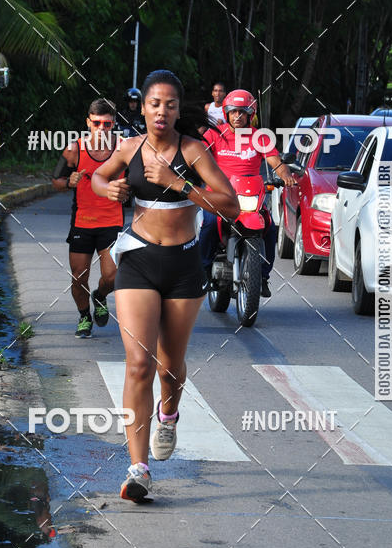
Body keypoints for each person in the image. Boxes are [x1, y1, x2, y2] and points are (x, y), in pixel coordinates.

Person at [91, 69, 239, 502]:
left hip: (183, 266)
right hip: (138, 260)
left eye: (170, 105)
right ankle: (138, 469)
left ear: (177, 110)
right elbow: (98, 177)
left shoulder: (193, 151)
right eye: (154, 104)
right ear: (143, 108)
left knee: (169, 368)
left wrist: (179, 184)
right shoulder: (129, 148)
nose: (161, 111)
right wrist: (109, 189)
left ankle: (168, 413)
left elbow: (230, 204)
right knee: (139, 364)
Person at [199, 88, 295, 298]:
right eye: (233, 111)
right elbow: (198, 155)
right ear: (227, 113)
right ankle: (204, 271)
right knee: (209, 225)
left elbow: (275, 161)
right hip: (219, 196)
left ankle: (263, 277)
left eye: (242, 112)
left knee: (269, 229)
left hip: (250, 196)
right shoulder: (214, 134)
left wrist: (286, 175)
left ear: (251, 114)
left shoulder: (260, 137)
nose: (237, 116)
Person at [52, 98, 124, 338]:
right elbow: (56, 180)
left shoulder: (123, 149)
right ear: (88, 122)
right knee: (78, 277)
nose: (101, 129)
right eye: (96, 123)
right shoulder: (74, 149)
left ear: (113, 123)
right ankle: (84, 316)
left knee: (112, 276)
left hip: (112, 221)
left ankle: (100, 296)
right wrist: (68, 183)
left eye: (107, 124)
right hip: (82, 222)